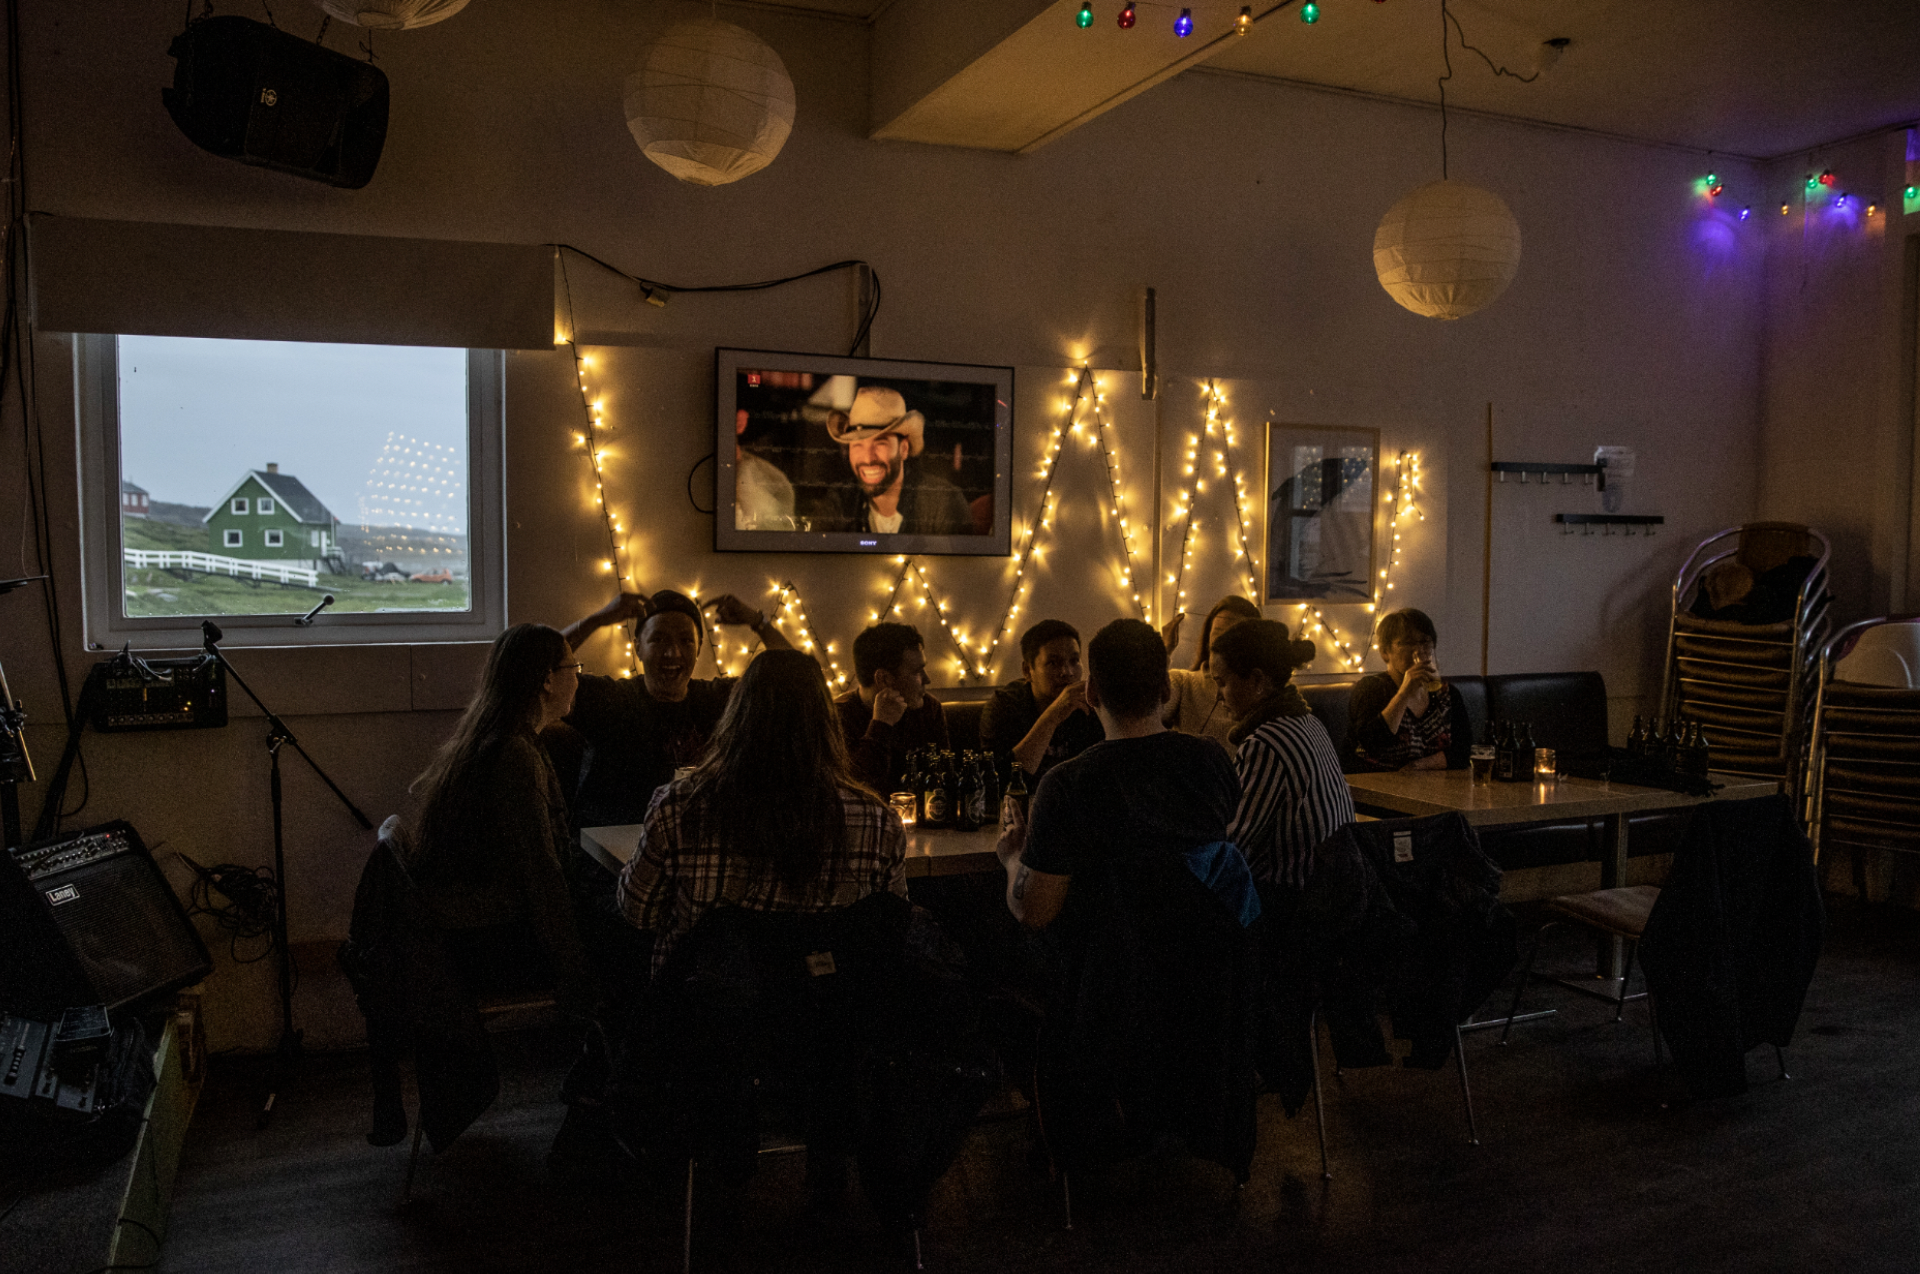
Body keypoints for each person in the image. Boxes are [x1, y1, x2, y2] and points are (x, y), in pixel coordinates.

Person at [991, 619, 1256, 1180]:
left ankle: (1061, 1127)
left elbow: (1034, 912)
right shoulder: (1211, 762)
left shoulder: (1067, 786)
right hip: (1204, 980)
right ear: (1166, 690)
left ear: (1090, 693)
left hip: (1102, 989)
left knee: (988, 965)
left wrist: (1013, 859)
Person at [616, 649, 909, 977]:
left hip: (706, 1011)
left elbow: (637, 913)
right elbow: (892, 923)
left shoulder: (680, 806)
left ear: (737, 715)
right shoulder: (879, 822)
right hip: (830, 1014)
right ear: (826, 721)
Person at [404, 624, 597, 1011]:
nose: (578, 678)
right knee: (620, 940)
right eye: (574, 668)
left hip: (461, 931)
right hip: (484, 943)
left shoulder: (494, 738)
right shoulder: (515, 756)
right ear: (546, 680)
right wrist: (574, 969)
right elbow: (541, 875)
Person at [561, 588, 793, 826]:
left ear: (699, 647)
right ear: (638, 647)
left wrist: (759, 623)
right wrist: (597, 620)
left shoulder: (717, 699)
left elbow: (797, 677)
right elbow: (533, 667)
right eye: (659, 639)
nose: (673, 653)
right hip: (607, 853)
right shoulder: (609, 698)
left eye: (686, 640)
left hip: (690, 851)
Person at [1211, 619, 1355, 892]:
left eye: (1222, 682)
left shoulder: (1266, 742)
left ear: (1257, 681)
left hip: (1297, 905)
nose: (1218, 696)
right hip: (1338, 891)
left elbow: (1234, 845)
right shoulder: (1309, 721)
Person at [804, 386, 973, 536]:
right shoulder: (839, 501)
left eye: (880, 443)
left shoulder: (942, 501)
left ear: (904, 449)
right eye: (858, 446)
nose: (868, 458)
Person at [1343, 607, 1471, 772]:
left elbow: (1463, 752)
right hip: (1374, 788)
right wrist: (1404, 693)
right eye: (1408, 642)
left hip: (1430, 788)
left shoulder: (1447, 694)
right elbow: (1373, 744)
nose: (1418, 650)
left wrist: (1419, 766)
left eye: (1425, 641)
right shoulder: (1371, 689)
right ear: (1385, 652)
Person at [979, 619, 1105, 781]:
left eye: (1074, 661)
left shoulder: (1087, 704)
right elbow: (1000, 780)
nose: (1067, 672)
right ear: (1027, 671)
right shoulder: (1004, 706)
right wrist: (1053, 715)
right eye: (1053, 663)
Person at [836, 621, 949, 795]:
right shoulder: (838, 717)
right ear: (884, 679)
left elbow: (944, 782)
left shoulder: (929, 709)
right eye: (917, 671)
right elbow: (853, 791)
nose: (927, 679)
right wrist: (881, 725)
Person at [1158, 595, 1263, 752]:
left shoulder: (1260, 691)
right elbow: (1143, 713)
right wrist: (1163, 652)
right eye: (1218, 633)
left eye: (1233, 636)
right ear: (1208, 638)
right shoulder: (1183, 682)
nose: (1223, 643)